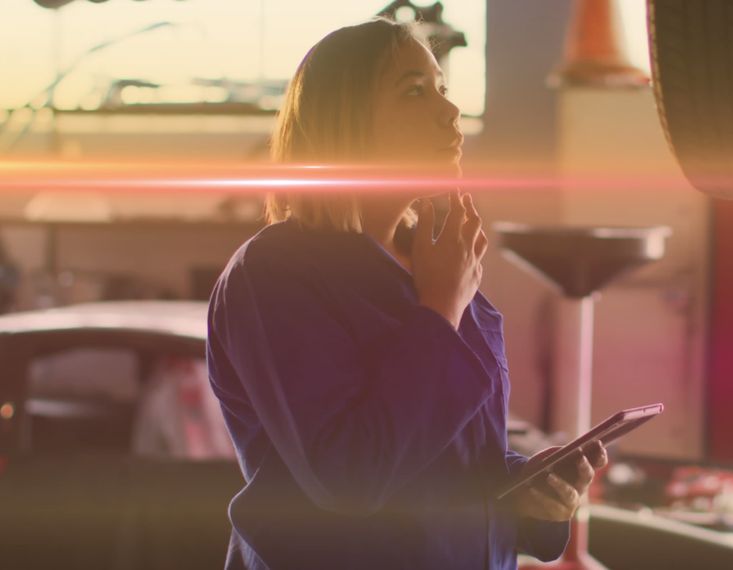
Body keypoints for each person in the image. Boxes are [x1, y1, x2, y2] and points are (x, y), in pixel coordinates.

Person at [205, 17, 607, 570]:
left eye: (442, 89)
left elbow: (445, 460)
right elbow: (350, 477)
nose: (449, 111)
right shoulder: (274, 274)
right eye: (414, 92)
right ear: (345, 124)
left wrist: (528, 487)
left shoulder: (436, 262)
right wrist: (440, 310)